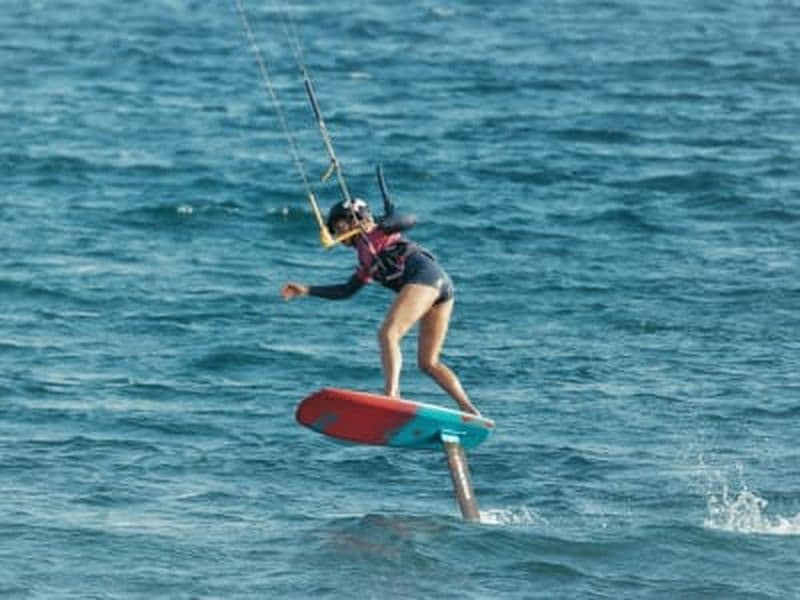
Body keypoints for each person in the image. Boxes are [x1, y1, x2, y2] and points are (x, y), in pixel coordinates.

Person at [280, 197, 480, 416]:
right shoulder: (365, 259)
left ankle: (392, 395)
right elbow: (347, 290)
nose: (338, 234)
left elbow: (410, 220)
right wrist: (307, 290)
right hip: (439, 287)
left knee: (388, 334)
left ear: (354, 220)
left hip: (427, 279)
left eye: (340, 227)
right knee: (428, 362)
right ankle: (469, 410)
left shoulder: (378, 233)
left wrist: (384, 223)